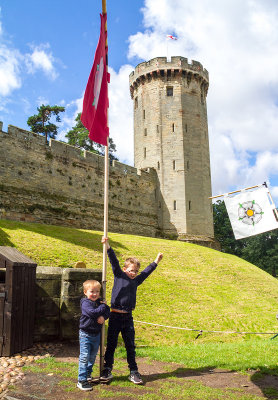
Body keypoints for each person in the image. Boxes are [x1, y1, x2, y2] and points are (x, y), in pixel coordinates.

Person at [100, 237, 163, 385]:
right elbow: (113, 260)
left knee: (130, 345)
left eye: (135, 271)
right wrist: (107, 245)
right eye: (131, 270)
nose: (133, 273)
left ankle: (133, 372)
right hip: (115, 316)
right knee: (111, 345)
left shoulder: (136, 280)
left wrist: (156, 260)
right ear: (124, 269)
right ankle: (107, 369)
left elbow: (147, 272)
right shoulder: (119, 275)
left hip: (128, 317)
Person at [77, 280, 110, 391]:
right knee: (85, 356)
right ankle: (81, 380)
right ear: (85, 292)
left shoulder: (99, 302)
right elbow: (92, 313)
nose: (95, 294)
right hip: (85, 334)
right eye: (92, 291)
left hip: (96, 335)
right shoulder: (85, 303)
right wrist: (103, 307)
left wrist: (103, 317)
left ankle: (87, 374)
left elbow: (108, 311)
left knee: (92, 356)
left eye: (97, 291)